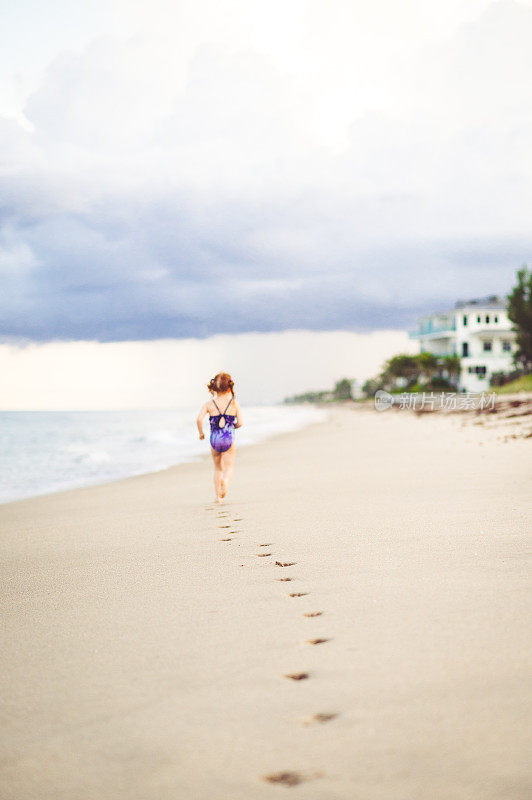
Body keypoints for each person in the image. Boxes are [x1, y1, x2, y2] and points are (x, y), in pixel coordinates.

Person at [196, 372, 243, 503]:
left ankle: (218, 497)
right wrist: (234, 426)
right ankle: (225, 482)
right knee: (228, 467)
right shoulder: (234, 403)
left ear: (214, 388)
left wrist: (201, 433)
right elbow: (240, 422)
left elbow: (199, 419)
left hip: (214, 439)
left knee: (217, 468)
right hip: (228, 438)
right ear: (229, 387)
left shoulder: (209, 404)